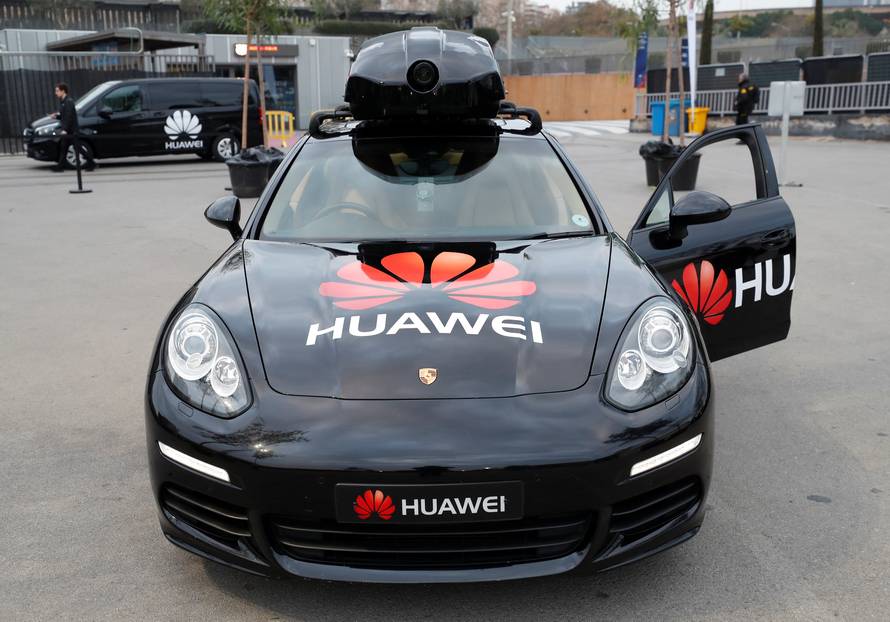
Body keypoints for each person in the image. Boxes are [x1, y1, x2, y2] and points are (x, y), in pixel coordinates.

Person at [51, 83, 95, 172]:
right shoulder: (64, 102)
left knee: (77, 147)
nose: (56, 93)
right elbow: (64, 116)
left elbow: (69, 117)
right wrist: (56, 116)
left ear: (63, 91)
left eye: (57, 91)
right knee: (64, 148)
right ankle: (60, 166)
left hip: (71, 131)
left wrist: (65, 130)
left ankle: (91, 163)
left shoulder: (68, 102)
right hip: (68, 130)